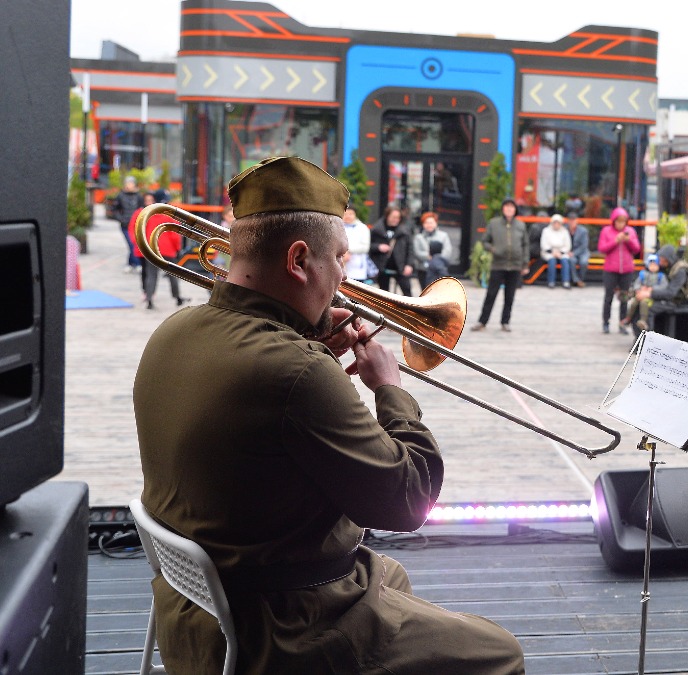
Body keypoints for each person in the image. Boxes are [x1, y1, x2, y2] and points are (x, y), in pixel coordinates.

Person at [133, 156, 525, 675]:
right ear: (299, 260)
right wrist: (390, 388)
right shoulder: (296, 370)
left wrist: (311, 351)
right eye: (340, 259)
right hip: (281, 631)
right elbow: (409, 502)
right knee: (500, 653)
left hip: (193, 614)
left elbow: (265, 423)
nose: (345, 279)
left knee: (389, 576)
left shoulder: (175, 329)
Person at [472, 199, 528, 332]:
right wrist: (493, 249)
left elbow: (525, 245)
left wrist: (525, 263)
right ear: (503, 209)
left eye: (512, 207)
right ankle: (482, 321)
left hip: (515, 265)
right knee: (491, 294)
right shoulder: (494, 223)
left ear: (515, 210)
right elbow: (484, 241)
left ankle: (505, 322)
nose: (509, 210)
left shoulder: (521, 225)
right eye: (507, 207)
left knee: (510, 296)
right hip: (498, 264)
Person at [129, 191, 187, 310]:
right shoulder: (170, 215)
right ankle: (177, 297)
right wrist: (178, 249)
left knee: (152, 275)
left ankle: (149, 299)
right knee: (173, 275)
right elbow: (175, 235)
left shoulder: (149, 214)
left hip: (153, 248)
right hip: (168, 249)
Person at [635, 244, 688, 339]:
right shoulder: (670, 267)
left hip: (677, 301)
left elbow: (671, 293)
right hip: (669, 298)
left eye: (662, 259)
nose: (660, 262)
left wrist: (650, 294)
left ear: (668, 258)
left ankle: (649, 340)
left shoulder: (680, 271)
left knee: (649, 308)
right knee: (639, 305)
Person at [597, 207, 641, 334]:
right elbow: (602, 248)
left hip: (626, 269)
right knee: (608, 296)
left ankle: (622, 322)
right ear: (614, 221)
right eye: (619, 221)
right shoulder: (606, 231)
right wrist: (615, 241)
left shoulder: (630, 231)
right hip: (611, 268)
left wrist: (629, 241)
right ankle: (606, 322)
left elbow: (637, 249)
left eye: (623, 221)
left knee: (624, 297)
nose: (621, 224)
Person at [370, 205, 414, 295]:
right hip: (382, 266)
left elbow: (410, 249)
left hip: (400, 265)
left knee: (407, 290)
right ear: (387, 216)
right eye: (393, 217)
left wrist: (409, 264)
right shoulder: (377, 230)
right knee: (384, 293)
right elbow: (369, 246)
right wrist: (378, 247)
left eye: (398, 218)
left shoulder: (404, 231)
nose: (395, 220)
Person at [622, 253, 666, 333]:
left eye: (655, 265)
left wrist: (652, 289)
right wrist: (639, 289)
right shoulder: (643, 274)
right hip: (641, 293)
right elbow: (637, 283)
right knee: (634, 303)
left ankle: (643, 320)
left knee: (643, 304)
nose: (653, 267)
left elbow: (663, 286)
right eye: (651, 265)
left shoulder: (661, 276)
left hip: (650, 296)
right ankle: (628, 318)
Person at [411, 212, 453, 291]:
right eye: (426, 223)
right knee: (425, 292)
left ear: (436, 223)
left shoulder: (443, 236)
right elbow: (417, 252)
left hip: (439, 268)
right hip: (423, 269)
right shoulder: (418, 237)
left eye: (431, 222)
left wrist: (436, 258)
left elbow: (447, 251)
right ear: (423, 224)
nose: (429, 225)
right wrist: (428, 256)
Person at [111, 175, 143, 273]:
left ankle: (131, 263)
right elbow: (114, 210)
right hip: (125, 225)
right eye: (128, 183)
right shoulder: (120, 196)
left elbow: (141, 209)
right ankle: (137, 263)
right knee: (131, 244)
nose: (129, 185)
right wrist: (121, 219)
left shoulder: (138, 196)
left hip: (136, 225)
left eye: (131, 183)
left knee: (135, 244)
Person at [540, 213, 573, 288]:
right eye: (555, 223)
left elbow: (568, 245)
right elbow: (543, 244)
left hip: (562, 252)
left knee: (565, 261)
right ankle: (551, 282)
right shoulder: (546, 231)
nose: (556, 224)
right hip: (549, 252)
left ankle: (566, 281)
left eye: (558, 223)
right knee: (552, 261)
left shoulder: (565, 231)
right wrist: (552, 252)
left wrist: (560, 252)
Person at [341, 206, 371, 283]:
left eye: (351, 214)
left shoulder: (362, 228)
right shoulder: (338, 226)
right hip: (341, 263)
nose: (348, 216)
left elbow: (365, 247)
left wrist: (348, 250)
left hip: (357, 266)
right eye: (346, 214)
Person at [567, 211, 589, 287]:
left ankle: (580, 279)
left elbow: (584, 246)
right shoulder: (565, 229)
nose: (572, 222)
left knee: (583, 262)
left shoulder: (583, 231)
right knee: (571, 260)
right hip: (570, 252)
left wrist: (574, 253)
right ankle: (575, 280)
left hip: (582, 251)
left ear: (577, 221)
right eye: (570, 220)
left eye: (574, 220)